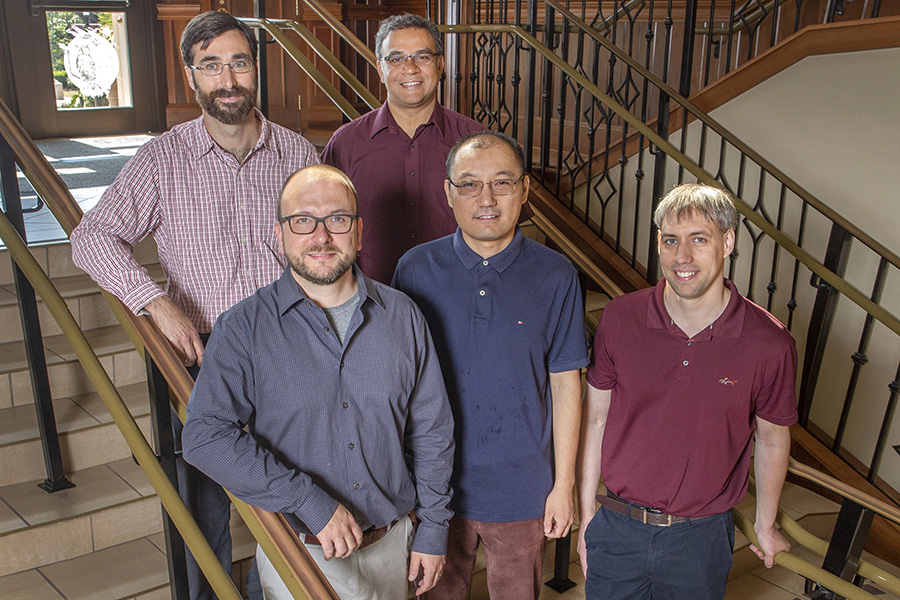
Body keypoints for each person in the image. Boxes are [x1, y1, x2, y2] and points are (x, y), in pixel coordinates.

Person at [70, 11, 318, 599]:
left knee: (291, 492)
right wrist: (153, 301)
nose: (227, 78)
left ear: (255, 69)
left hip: (290, 354)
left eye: (238, 62)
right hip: (199, 359)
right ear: (191, 78)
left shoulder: (298, 153)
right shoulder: (164, 159)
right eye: (211, 66)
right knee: (200, 507)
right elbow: (91, 237)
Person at [182, 164, 455, 600]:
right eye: (302, 221)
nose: (321, 236)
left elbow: (432, 432)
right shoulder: (244, 327)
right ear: (280, 234)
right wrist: (309, 500)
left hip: (392, 548)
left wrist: (435, 528)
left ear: (359, 232)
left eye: (338, 220)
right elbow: (204, 437)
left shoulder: (403, 316)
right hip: (300, 554)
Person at [576, 183, 797, 600]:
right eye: (670, 240)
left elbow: (771, 437)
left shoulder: (770, 343)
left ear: (728, 241)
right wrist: (587, 514)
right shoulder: (620, 317)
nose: (683, 257)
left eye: (699, 239)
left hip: (701, 540)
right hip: (618, 528)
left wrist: (766, 524)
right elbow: (596, 417)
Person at [393, 132, 588, 600]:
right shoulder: (415, 270)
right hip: (435, 489)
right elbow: (396, 384)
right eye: (470, 184)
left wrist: (564, 485)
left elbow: (565, 385)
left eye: (502, 183)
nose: (486, 198)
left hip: (523, 487)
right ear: (448, 193)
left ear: (524, 191)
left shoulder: (556, 275)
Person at [321, 13, 486, 284]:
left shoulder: (478, 142)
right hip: (371, 305)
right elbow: (326, 229)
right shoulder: (345, 144)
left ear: (440, 64)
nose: (410, 68)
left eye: (422, 57)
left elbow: (501, 228)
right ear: (380, 69)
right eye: (396, 58)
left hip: (460, 297)